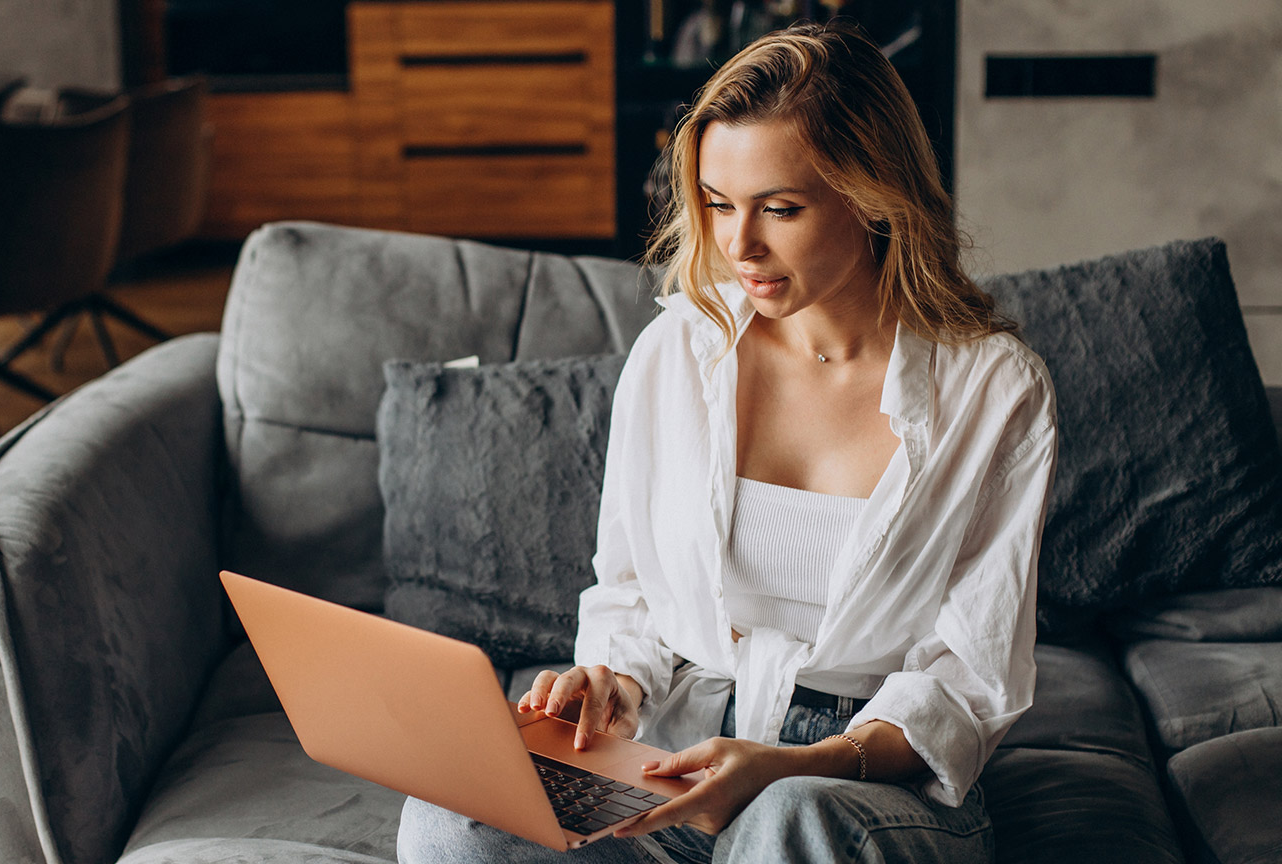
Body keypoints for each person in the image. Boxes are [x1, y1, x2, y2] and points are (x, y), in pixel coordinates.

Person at [399, 18, 1057, 864]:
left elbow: (969, 679)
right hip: (680, 760)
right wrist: (611, 685)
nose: (738, 247)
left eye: (780, 209)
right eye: (716, 205)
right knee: (455, 815)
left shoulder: (995, 388)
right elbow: (631, 588)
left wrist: (793, 762)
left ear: (874, 195)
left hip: (856, 778)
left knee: (787, 822)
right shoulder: (680, 349)